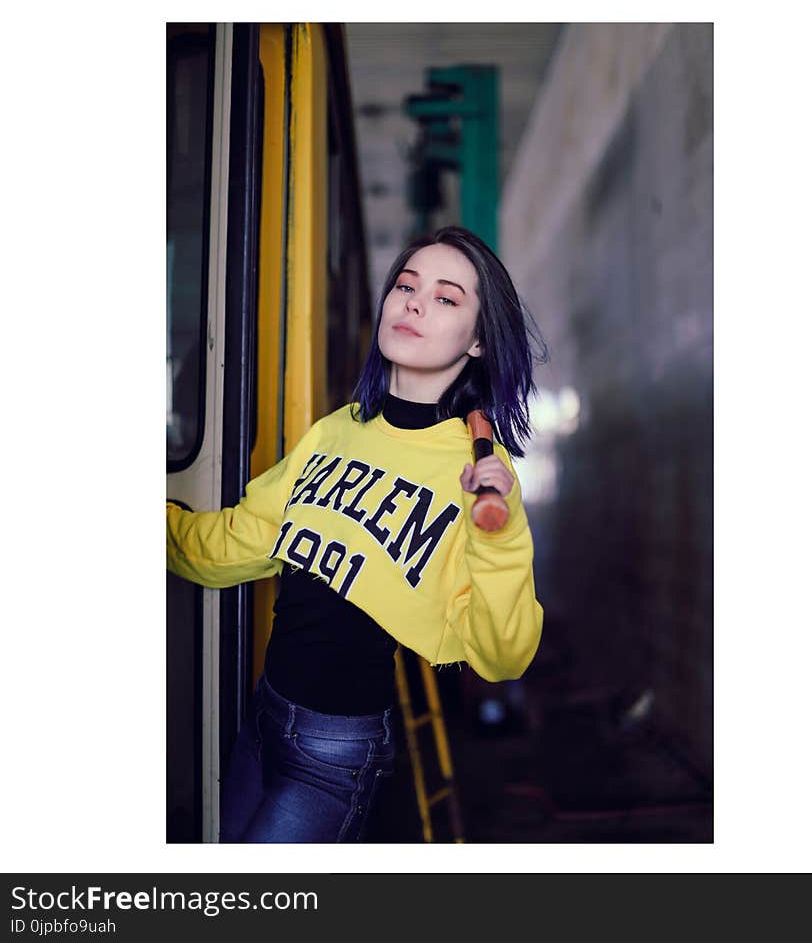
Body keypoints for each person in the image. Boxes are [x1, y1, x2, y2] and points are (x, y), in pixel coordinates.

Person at [166, 225, 546, 842]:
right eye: (405, 285)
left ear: (478, 340)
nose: (415, 303)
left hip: (335, 755)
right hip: (263, 718)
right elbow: (241, 541)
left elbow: (503, 655)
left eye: (447, 298)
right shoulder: (334, 433)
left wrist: (497, 538)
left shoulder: (480, 479)